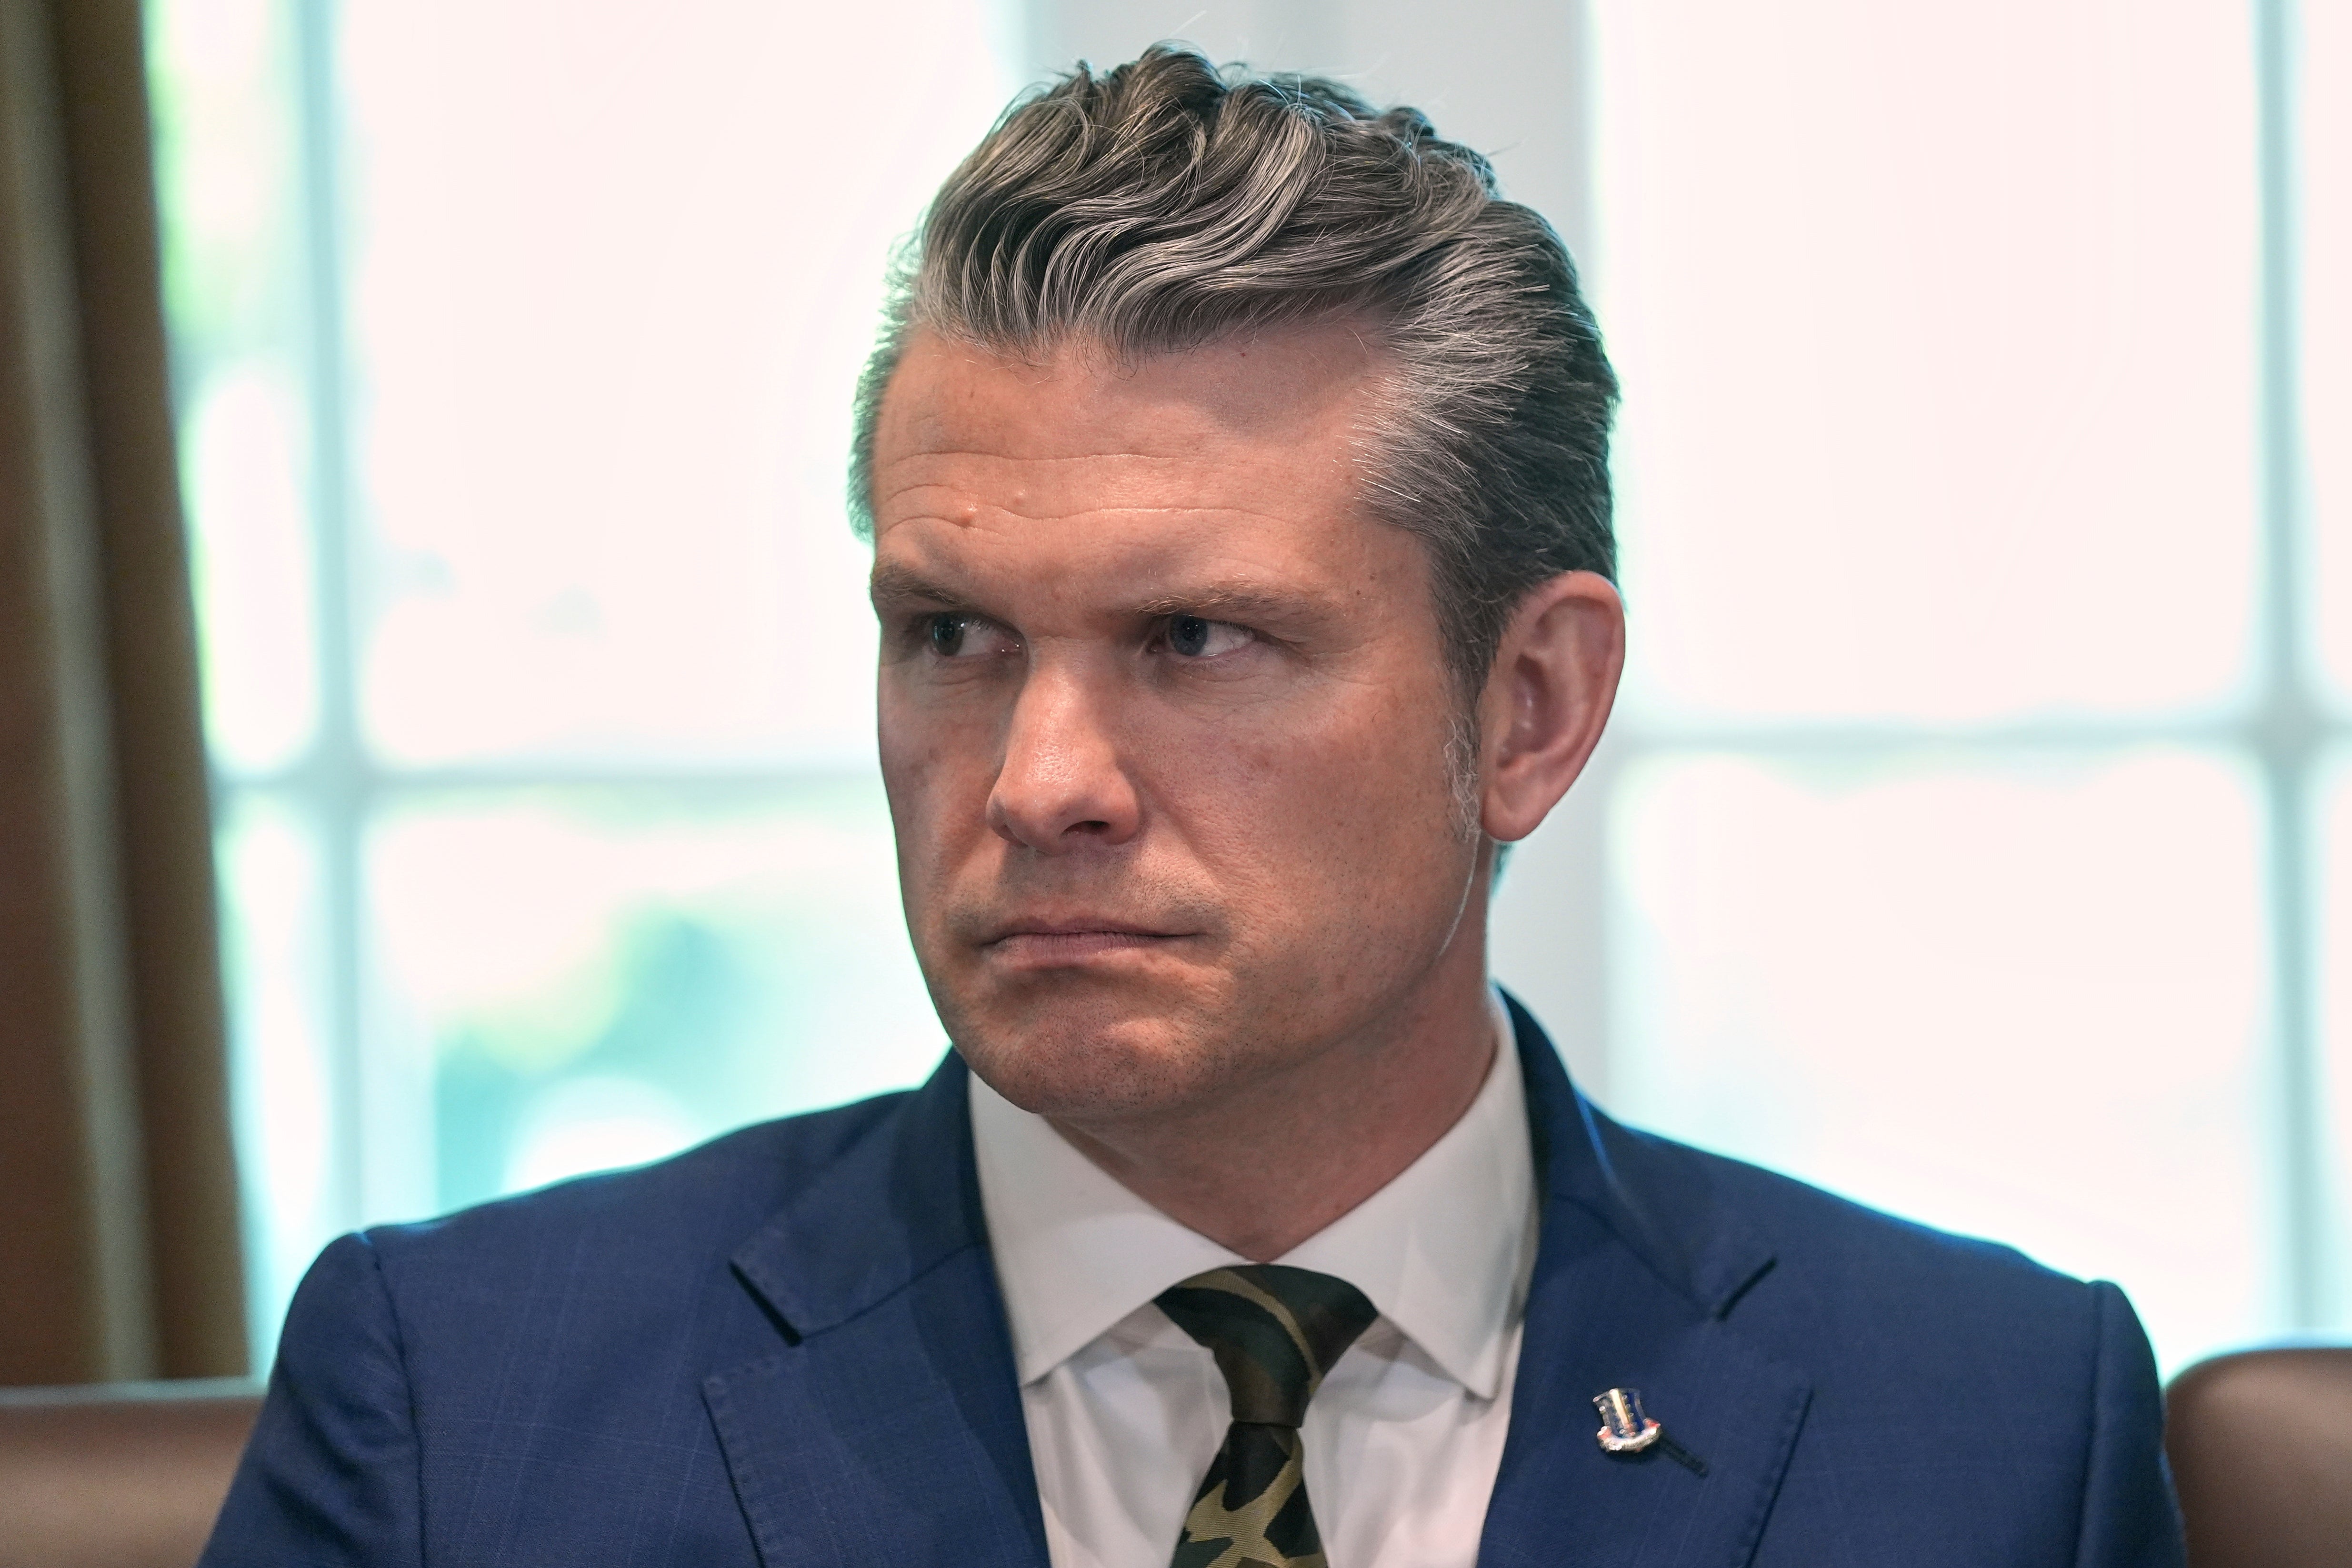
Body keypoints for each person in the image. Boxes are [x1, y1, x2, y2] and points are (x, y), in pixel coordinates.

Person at [202, 45, 2183, 1568]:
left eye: (1198, 638)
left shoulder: (1988, 1425)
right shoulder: (467, 1400)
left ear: (1527, 707)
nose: (1039, 780)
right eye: (954, 633)